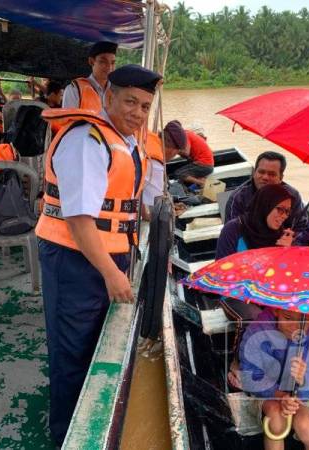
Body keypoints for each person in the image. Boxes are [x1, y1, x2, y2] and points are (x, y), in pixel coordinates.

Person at [36, 64, 162, 446]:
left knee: (92, 344)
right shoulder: (86, 140)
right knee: (72, 354)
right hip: (74, 259)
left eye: (144, 106)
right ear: (108, 97)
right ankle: (66, 437)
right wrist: (111, 273)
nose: (137, 113)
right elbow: (78, 219)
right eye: (129, 102)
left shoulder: (128, 142)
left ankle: (86, 424)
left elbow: (123, 201)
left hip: (107, 256)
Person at [216, 184, 296, 390]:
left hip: (266, 296)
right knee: (254, 316)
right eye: (279, 209)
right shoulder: (234, 229)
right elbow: (222, 273)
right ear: (265, 205)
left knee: (292, 316)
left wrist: (283, 254)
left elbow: (283, 280)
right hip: (233, 295)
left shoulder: (281, 237)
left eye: (287, 211)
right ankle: (239, 364)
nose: (283, 216)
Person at [239, 308, 309, 450]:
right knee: (276, 418)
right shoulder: (258, 330)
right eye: (288, 317)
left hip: (296, 397)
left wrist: (301, 381)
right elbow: (251, 376)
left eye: (302, 322)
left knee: (306, 424)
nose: (294, 327)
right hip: (264, 393)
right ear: (276, 311)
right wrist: (281, 396)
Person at [224, 151, 308, 241]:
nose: (265, 177)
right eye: (261, 172)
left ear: (281, 178)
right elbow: (232, 234)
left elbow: (302, 229)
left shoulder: (292, 196)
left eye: (272, 174)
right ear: (254, 173)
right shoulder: (238, 198)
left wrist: (292, 238)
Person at [61, 41, 118, 111]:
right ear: (91, 61)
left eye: (113, 63)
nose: (109, 67)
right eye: (103, 61)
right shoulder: (75, 90)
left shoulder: (117, 90)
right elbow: (68, 121)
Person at [163, 120, 214, 186]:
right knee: (179, 171)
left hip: (204, 164)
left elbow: (186, 152)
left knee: (179, 174)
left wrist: (175, 150)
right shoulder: (187, 134)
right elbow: (187, 155)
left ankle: (201, 183)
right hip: (206, 163)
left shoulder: (186, 134)